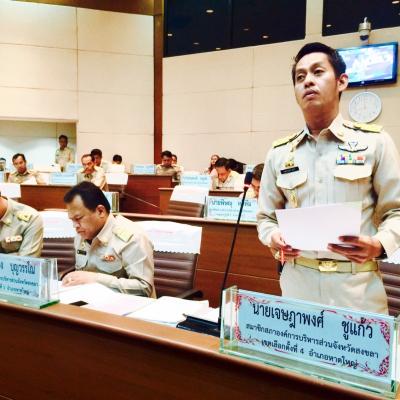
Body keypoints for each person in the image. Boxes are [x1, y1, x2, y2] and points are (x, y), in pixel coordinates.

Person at [257, 42, 400, 314]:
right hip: (298, 285)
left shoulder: (375, 143)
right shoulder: (280, 153)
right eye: (300, 77)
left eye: (318, 72)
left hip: (356, 289)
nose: (308, 81)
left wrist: (379, 244)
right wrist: (274, 236)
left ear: (341, 81)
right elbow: (265, 217)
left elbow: (396, 211)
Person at [61, 181, 155, 297]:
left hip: (126, 305)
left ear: (100, 211)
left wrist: (95, 279)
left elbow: (143, 288)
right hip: (89, 301)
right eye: (72, 220)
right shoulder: (82, 234)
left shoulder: (133, 237)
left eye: (78, 218)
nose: (75, 226)